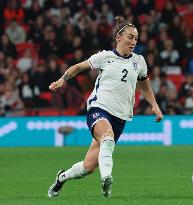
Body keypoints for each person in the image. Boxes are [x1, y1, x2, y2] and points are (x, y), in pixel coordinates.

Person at [47, 16, 163, 198]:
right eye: (130, 37)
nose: (134, 41)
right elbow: (78, 67)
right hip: (98, 108)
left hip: (120, 117)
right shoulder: (104, 57)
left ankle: (62, 177)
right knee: (107, 137)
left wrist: (155, 106)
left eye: (136, 38)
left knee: (88, 167)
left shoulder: (139, 62)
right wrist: (62, 79)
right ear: (118, 37)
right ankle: (107, 179)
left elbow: (145, 87)